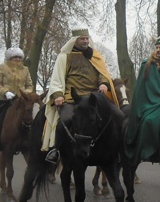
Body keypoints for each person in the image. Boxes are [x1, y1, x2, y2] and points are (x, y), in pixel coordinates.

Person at [43, 29, 120, 163]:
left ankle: (118, 150)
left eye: (87, 38)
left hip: (93, 98)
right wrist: (58, 95)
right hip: (73, 98)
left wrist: (103, 84)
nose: (85, 41)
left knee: (118, 115)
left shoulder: (95, 55)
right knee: (65, 120)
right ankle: (56, 150)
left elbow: (103, 73)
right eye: (82, 39)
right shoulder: (65, 57)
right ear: (75, 40)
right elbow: (56, 79)